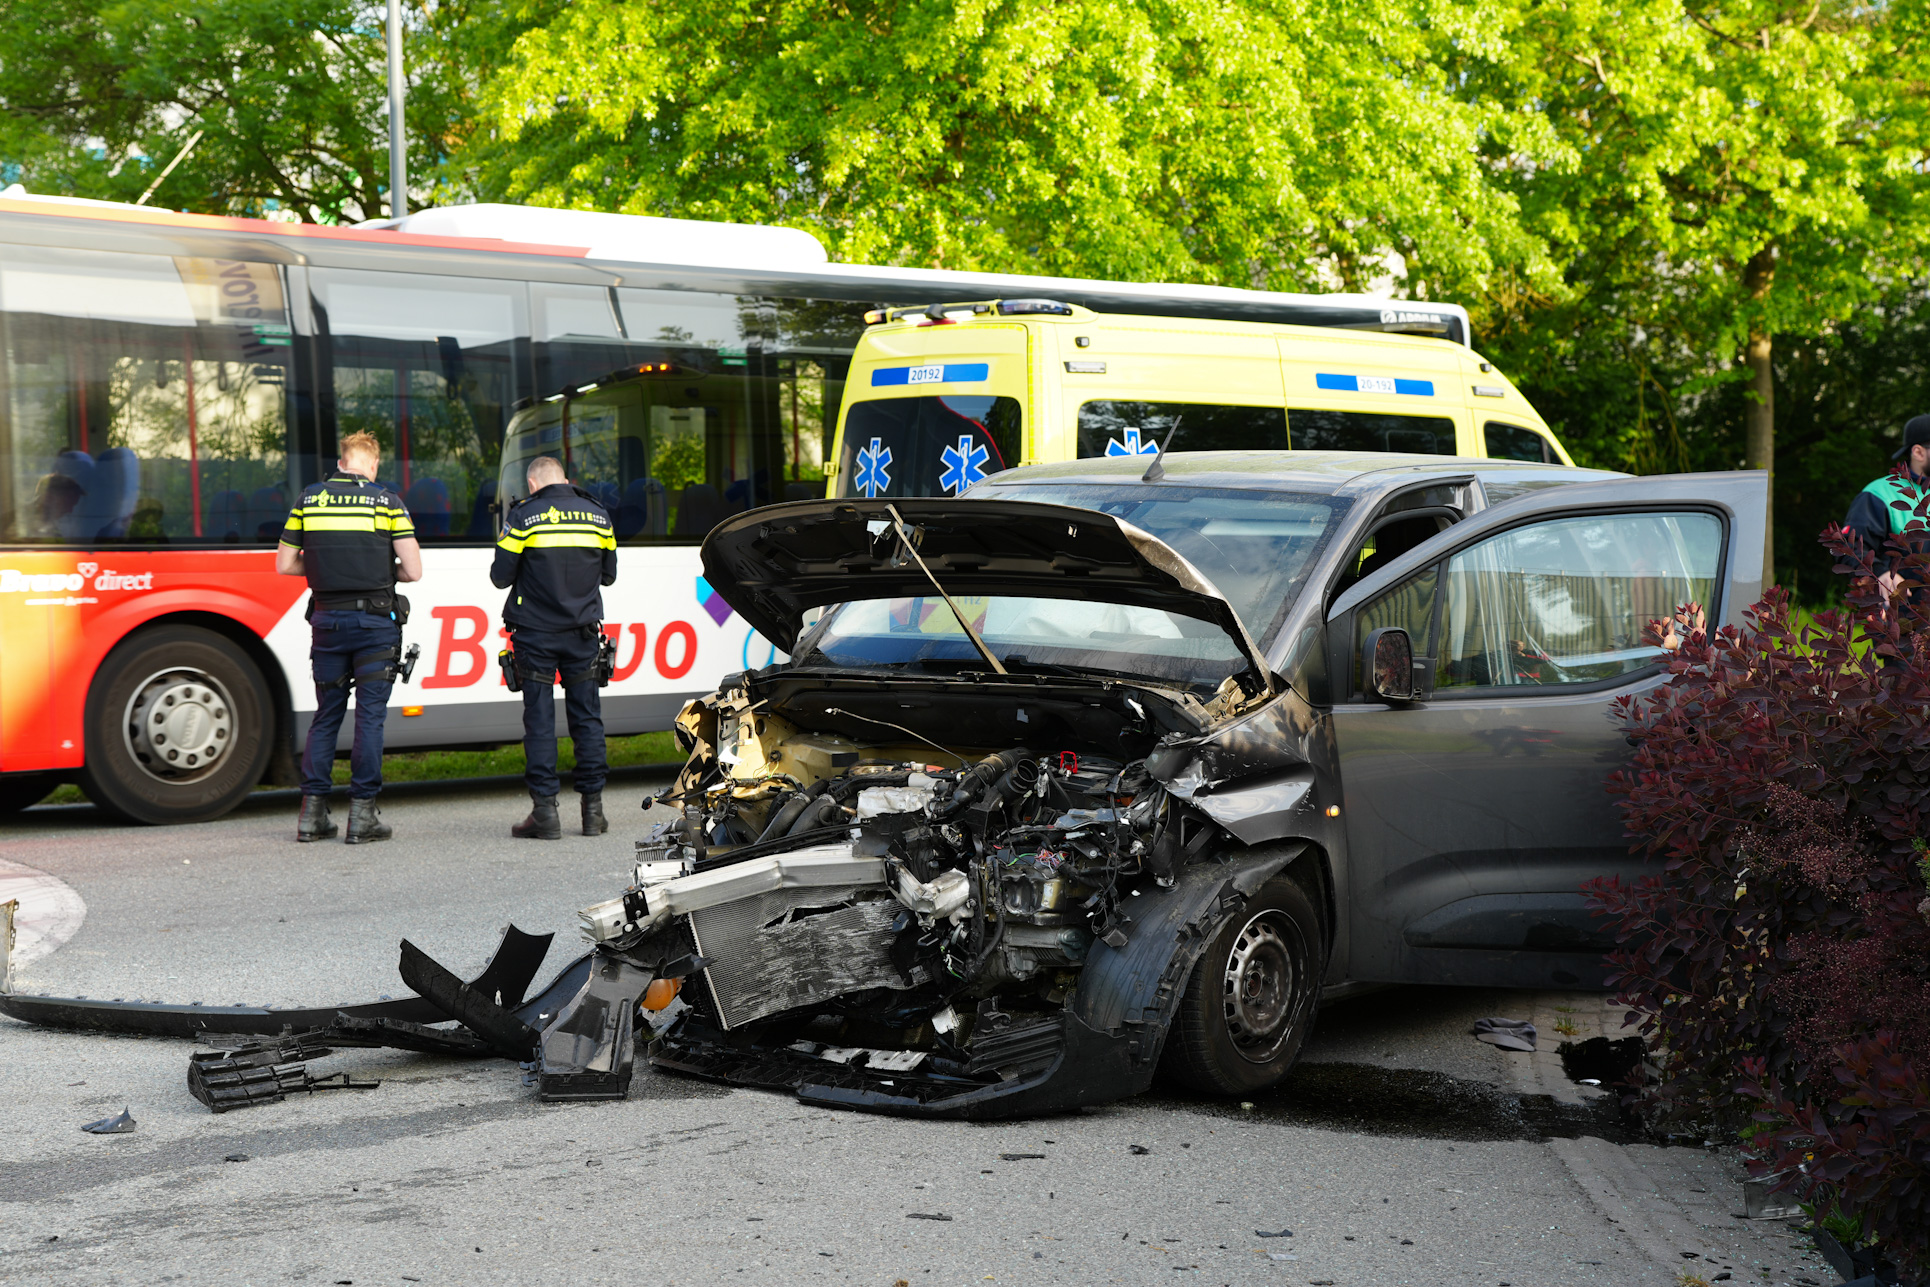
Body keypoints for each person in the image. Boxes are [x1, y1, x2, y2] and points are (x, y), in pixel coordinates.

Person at [277, 432, 421, 844]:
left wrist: (330, 567)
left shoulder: (309, 499)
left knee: (327, 715)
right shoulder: (387, 501)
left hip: (327, 622)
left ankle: (311, 816)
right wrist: (375, 569)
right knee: (370, 718)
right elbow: (412, 570)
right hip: (375, 624)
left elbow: (285, 563)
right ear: (372, 464)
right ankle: (362, 817)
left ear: (342, 461)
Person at [491, 455, 618, 839]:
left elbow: (500, 577)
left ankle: (545, 813)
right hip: (582, 633)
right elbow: (609, 577)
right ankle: (593, 813)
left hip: (535, 635)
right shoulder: (598, 515)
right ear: (565, 478)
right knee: (587, 719)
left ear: (533, 484)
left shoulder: (524, 516)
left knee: (540, 722)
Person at [1845, 413, 1930, 600]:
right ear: (1918, 452)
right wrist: (1880, 574)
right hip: (1903, 620)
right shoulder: (1879, 494)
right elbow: (1849, 548)